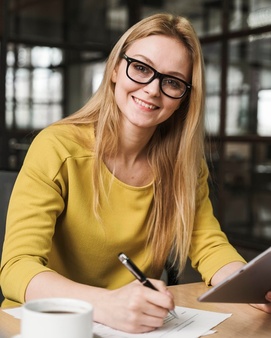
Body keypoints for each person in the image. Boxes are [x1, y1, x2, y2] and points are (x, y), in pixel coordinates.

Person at [1, 13, 270, 333]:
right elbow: (17, 268)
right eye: (141, 68)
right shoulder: (57, 147)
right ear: (116, 68)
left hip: (139, 326)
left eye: (171, 81)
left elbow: (209, 245)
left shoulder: (183, 164)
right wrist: (105, 304)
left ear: (184, 98)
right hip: (51, 324)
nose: (153, 90)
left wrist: (248, 285)